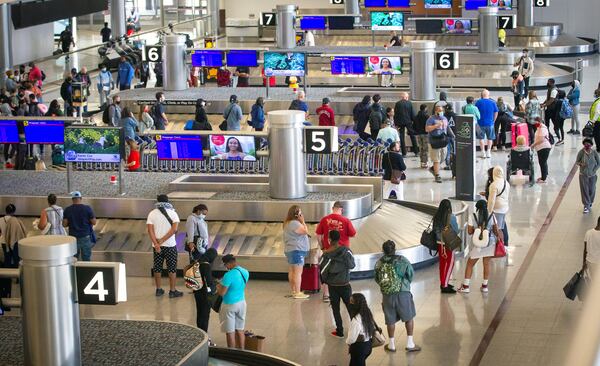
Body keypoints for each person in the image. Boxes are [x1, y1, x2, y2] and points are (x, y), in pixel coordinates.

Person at [374, 240, 421, 353]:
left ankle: (391, 345)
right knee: (408, 318)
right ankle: (410, 344)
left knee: (390, 320)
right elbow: (410, 274)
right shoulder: (402, 260)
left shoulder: (379, 263)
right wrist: (404, 284)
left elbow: (377, 278)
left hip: (387, 295)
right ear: (395, 249)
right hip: (402, 293)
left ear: (383, 250)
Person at [315, 201, 357, 303]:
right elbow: (353, 234)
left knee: (326, 271)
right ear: (341, 210)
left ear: (333, 208)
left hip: (328, 250)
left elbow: (318, 235)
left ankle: (326, 295)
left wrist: (322, 247)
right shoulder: (346, 220)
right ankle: (345, 295)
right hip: (343, 252)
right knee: (344, 271)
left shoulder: (325, 219)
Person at [457, 200, 497, 294]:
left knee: (470, 264)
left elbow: (470, 232)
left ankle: (466, 286)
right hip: (489, 243)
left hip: (477, 244)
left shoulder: (473, 216)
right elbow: (495, 230)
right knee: (486, 264)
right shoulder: (492, 215)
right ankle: (485, 286)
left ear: (477, 207)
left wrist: (477, 230)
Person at [320, 230, 355, 338]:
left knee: (336, 309)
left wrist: (326, 280)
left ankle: (339, 331)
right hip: (345, 284)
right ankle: (356, 330)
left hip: (333, 286)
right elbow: (352, 265)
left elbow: (322, 272)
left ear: (329, 239)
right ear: (339, 239)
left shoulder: (326, 254)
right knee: (351, 308)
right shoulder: (346, 251)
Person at [146, 194, 183, 298]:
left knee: (157, 267)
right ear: (168, 202)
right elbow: (174, 230)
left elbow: (150, 230)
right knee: (172, 268)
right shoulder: (173, 213)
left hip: (156, 247)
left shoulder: (152, 213)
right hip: (170, 246)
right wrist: (162, 240)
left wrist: (157, 244)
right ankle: (172, 290)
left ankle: (158, 289)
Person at [217, 254, 249, 348]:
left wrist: (218, 286)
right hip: (242, 303)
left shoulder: (228, 275)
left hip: (229, 305)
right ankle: (242, 351)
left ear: (229, 263)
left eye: (225, 265)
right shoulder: (245, 272)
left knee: (230, 332)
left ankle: (232, 354)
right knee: (240, 329)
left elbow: (222, 293)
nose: (226, 267)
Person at [283, 205, 310, 299]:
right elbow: (305, 231)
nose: (301, 214)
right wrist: (303, 221)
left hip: (290, 250)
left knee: (292, 271)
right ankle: (298, 292)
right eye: (300, 212)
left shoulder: (287, 223)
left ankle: (294, 291)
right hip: (297, 250)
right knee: (298, 272)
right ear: (296, 214)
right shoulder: (295, 223)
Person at [432, 199, 459, 293]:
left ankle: (443, 282)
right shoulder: (451, 217)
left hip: (439, 243)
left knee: (443, 264)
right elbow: (456, 230)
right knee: (450, 263)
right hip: (448, 243)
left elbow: (434, 229)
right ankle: (445, 285)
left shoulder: (436, 216)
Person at [63, 191, 97, 261]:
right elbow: (94, 222)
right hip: (85, 237)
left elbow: (64, 224)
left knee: (74, 259)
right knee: (86, 258)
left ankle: (76, 271)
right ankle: (86, 271)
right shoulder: (87, 208)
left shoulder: (67, 210)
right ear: (81, 198)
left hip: (73, 238)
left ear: (72, 199)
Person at [346, 293, 377, 365]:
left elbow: (351, 339)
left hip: (359, 348)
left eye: (351, 301)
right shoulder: (367, 313)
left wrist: (348, 343)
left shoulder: (356, 320)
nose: (349, 303)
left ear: (356, 304)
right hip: (368, 345)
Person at [193, 248, 217, 335]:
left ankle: (199, 333)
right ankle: (205, 335)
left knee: (199, 313)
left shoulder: (197, 263)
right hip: (205, 294)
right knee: (205, 315)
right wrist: (214, 288)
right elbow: (209, 282)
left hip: (197, 292)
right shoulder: (206, 265)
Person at [426, 105, 453, 183]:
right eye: (439, 111)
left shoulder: (444, 118)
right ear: (435, 111)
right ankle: (437, 175)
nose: (441, 112)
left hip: (443, 140)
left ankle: (433, 168)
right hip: (434, 141)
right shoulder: (431, 119)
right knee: (436, 159)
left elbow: (447, 128)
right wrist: (436, 125)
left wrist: (452, 135)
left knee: (443, 157)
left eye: (442, 111)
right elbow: (427, 129)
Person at [487, 166, 510, 246]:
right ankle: (505, 242)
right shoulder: (506, 182)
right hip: (504, 208)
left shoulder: (494, 185)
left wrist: (489, 211)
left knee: (498, 228)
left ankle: (501, 245)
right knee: (502, 225)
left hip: (497, 209)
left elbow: (491, 200)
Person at [576, 138, 600, 214]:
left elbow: (598, 163)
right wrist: (581, 164)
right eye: (585, 144)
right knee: (584, 190)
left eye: (588, 144)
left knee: (592, 190)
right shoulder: (581, 152)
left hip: (592, 175)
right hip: (583, 175)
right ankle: (586, 205)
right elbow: (577, 162)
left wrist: (594, 170)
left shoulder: (594, 152)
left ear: (591, 145)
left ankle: (590, 201)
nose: (587, 146)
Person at [0, 204, 27, 268]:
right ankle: (17, 275)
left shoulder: (0, 219)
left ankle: (7, 276)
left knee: (7, 258)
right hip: (15, 242)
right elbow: (23, 231)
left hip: (4, 242)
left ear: (6, 211)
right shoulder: (16, 220)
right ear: (14, 211)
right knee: (16, 259)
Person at [475, 90, 499, 159]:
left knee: (481, 138)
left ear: (482, 95)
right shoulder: (493, 102)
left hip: (480, 123)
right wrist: (494, 120)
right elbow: (496, 112)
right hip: (490, 123)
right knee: (490, 138)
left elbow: (476, 111)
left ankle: (483, 152)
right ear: (488, 95)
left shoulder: (478, 102)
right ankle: (488, 152)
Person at [394, 92, 418, 157]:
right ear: (406, 97)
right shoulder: (409, 103)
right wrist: (414, 121)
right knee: (412, 136)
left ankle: (404, 153)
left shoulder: (397, 104)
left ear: (402, 97)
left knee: (401, 137)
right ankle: (416, 152)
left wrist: (396, 123)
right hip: (408, 122)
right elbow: (412, 113)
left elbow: (395, 115)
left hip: (400, 122)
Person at [530, 118, 552, 183]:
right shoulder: (539, 127)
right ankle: (544, 175)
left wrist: (533, 145)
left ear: (539, 121)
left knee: (542, 162)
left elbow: (541, 139)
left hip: (544, 147)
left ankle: (543, 178)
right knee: (543, 162)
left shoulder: (543, 128)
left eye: (535, 122)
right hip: (541, 148)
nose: (535, 124)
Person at [414, 104, 430, 169]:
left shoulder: (416, 116)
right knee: (425, 148)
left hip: (418, 134)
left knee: (421, 148)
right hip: (425, 134)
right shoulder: (426, 116)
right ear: (425, 108)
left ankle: (421, 162)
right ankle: (425, 162)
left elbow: (414, 125)